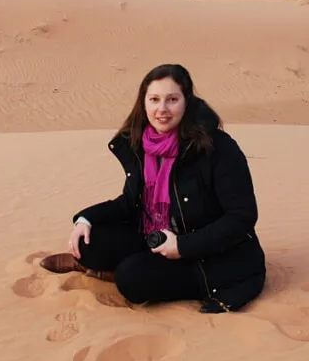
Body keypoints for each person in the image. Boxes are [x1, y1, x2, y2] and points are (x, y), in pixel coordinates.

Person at [39, 63, 266, 313]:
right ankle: (115, 266)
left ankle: (126, 273)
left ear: (187, 102)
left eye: (172, 100)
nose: (162, 109)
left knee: (132, 279)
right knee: (87, 243)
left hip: (207, 253)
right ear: (143, 102)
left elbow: (242, 216)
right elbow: (130, 202)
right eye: (154, 99)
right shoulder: (141, 144)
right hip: (154, 235)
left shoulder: (217, 148)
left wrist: (182, 246)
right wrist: (85, 219)